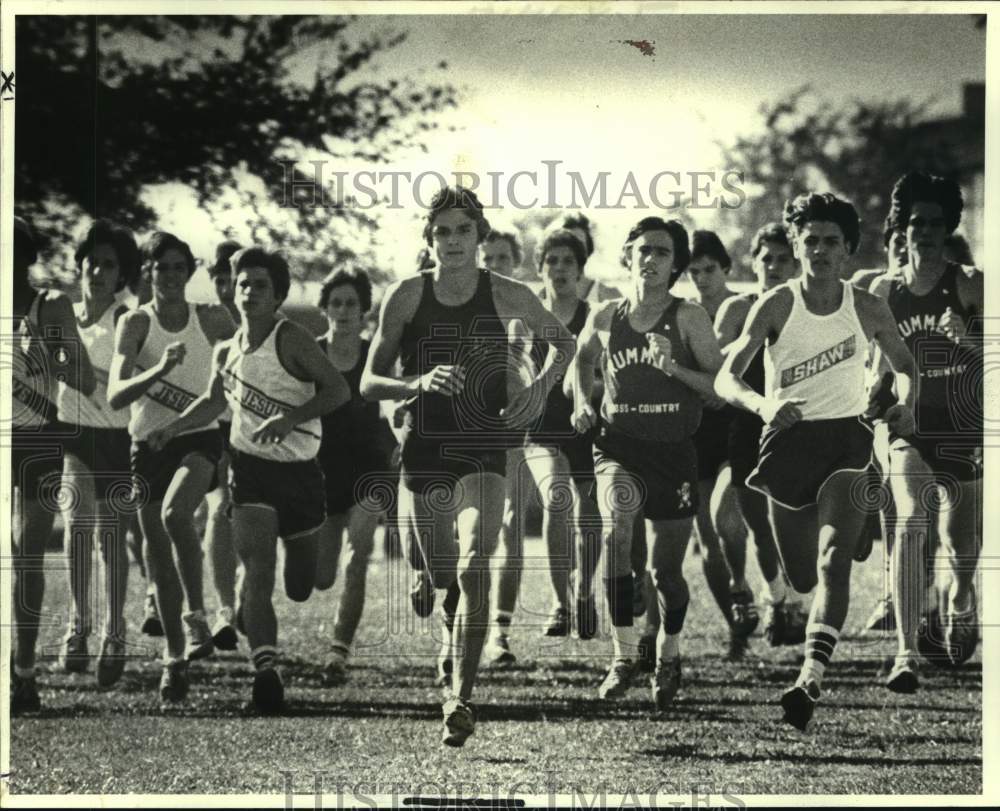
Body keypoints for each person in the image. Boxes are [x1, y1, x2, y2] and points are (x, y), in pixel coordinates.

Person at [361, 185, 574, 746]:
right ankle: (438, 601)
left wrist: (539, 389)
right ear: (429, 240)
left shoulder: (508, 293)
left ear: (480, 237)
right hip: (426, 446)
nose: (452, 241)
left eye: (463, 230)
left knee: (477, 561)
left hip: (484, 442)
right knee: (439, 572)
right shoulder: (405, 296)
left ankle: (461, 696)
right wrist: (415, 382)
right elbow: (367, 381)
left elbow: (565, 342)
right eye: (441, 232)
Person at [715, 192, 917, 731]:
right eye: (812, 241)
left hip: (847, 444)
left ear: (848, 249)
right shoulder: (776, 304)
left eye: (832, 242)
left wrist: (905, 402)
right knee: (802, 575)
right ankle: (847, 542)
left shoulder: (867, 306)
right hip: (787, 444)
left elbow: (903, 363)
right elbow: (725, 376)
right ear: (798, 246)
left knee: (832, 561)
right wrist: (764, 404)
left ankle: (810, 677)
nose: (821, 250)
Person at [149, 247, 348, 712]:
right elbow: (214, 403)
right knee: (258, 569)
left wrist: (290, 418)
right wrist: (171, 428)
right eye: (242, 283)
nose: (249, 292)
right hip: (249, 470)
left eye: (260, 285)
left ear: (278, 294)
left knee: (303, 584)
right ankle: (266, 671)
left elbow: (338, 390)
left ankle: (251, 611)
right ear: (231, 291)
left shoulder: (293, 340)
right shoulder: (227, 350)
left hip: (301, 475)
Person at [572, 216, 723, 709]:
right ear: (628, 255)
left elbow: (719, 390)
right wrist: (582, 402)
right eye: (644, 249)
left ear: (675, 264)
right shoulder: (604, 315)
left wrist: (673, 367)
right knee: (616, 534)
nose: (652, 259)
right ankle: (623, 655)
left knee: (665, 575)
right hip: (618, 447)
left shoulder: (689, 318)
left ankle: (670, 651)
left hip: (674, 453)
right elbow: (582, 360)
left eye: (662, 252)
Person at [107, 231, 236, 702]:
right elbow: (117, 394)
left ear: (191, 271)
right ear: (148, 272)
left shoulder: (211, 319)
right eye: (161, 268)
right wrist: (158, 369)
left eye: (180, 267)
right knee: (157, 554)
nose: (171, 276)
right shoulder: (135, 324)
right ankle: (175, 659)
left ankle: (197, 616)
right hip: (146, 444)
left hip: (198, 438)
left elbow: (242, 367)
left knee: (176, 514)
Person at [868, 172, 983, 688]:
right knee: (912, 521)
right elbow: (876, 367)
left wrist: (971, 340)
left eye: (937, 222)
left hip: (963, 425)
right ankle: (907, 652)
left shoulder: (970, 283)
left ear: (949, 227)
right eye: (917, 222)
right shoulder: (884, 290)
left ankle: (961, 598)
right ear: (902, 228)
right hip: (908, 424)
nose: (927, 232)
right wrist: (873, 400)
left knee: (960, 542)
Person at [10, 216, 96, 714]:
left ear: (26, 257)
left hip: (39, 437)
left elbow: (83, 378)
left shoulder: (51, 305)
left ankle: (24, 674)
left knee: (27, 554)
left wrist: (51, 355)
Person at [55, 221, 141, 688]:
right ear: (80, 265)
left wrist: (91, 373)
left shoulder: (128, 320)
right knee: (76, 524)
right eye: (93, 262)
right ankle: (77, 627)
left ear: (121, 273)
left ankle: (115, 632)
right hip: (74, 434)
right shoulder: (65, 315)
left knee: (112, 540)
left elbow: (129, 380)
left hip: (117, 437)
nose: (100, 271)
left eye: (110, 264)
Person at [714, 224, 805, 647]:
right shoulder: (737, 309)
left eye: (782, 258)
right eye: (765, 258)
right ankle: (775, 598)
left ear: (797, 262)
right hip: (748, 426)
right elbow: (715, 369)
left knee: (799, 526)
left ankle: (797, 604)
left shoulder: (811, 309)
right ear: (753, 262)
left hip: (802, 425)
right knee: (757, 525)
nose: (772, 266)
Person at [522, 229, 602, 642]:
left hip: (588, 426)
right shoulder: (527, 318)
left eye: (568, 261)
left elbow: (608, 376)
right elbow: (511, 373)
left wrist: (586, 393)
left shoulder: (595, 317)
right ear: (540, 268)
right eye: (551, 260)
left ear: (580, 268)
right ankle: (560, 603)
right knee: (556, 498)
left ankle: (584, 591)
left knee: (591, 515)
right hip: (541, 428)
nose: (559, 268)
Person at [313, 269, 391, 685]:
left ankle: (338, 652)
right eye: (336, 303)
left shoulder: (373, 356)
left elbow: (394, 403)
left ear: (364, 312)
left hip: (369, 470)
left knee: (357, 556)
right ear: (324, 307)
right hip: (321, 472)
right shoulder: (309, 354)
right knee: (320, 576)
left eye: (352, 304)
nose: (344, 311)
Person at [684, 230, 758, 660]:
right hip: (695, 431)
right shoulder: (683, 313)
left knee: (726, 519)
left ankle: (744, 585)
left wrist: (721, 385)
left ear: (726, 268)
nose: (701, 278)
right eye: (693, 271)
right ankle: (736, 628)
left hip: (736, 426)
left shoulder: (747, 308)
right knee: (706, 536)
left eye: (709, 269)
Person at [479, 228, 533, 666]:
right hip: (460, 427)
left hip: (510, 425)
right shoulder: (455, 300)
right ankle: (453, 622)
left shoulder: (524, 307)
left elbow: (537, 359)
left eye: (502, 258)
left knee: (510, 526)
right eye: (488, 258)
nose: (495, 265)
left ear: (515, 262)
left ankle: (499, 634)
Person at [202, 239, 244, 649]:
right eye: (219, 278)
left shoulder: (266, 321)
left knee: (244, 517)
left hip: (253, 435)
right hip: (210, 432)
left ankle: (241, 595)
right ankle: (224, 611)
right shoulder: (203, 320)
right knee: (215, 512)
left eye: (233, 278)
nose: (228, 286)